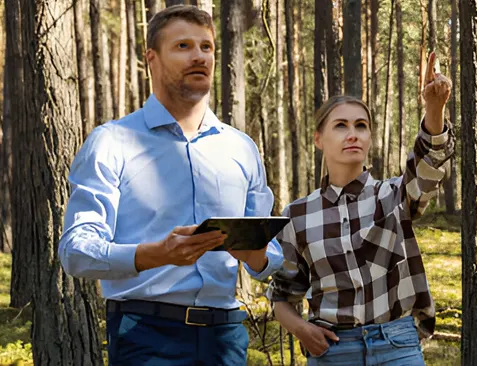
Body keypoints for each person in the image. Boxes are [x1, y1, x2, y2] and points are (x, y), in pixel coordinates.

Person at [58, 5, 283, 365]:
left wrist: (251, 251)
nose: (199, 57)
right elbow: (76, 251)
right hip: (145, 333)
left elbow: (269, 257)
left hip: (226, 337)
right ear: (152, 58)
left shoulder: (241, 147)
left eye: (206, 47)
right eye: (183, 46)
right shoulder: (112, 142)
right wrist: (156, 255)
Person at [266, 51, 455, 365]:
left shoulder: (393, 195)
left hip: (398, 347)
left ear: (369, 138)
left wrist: (434, 108)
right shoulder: (297, 216)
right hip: (333, 351)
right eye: (340, 125)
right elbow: (283, 294)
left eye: (361, 126)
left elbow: (431, 165)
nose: (352, 133)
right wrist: (301, 330)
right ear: (318, 139)